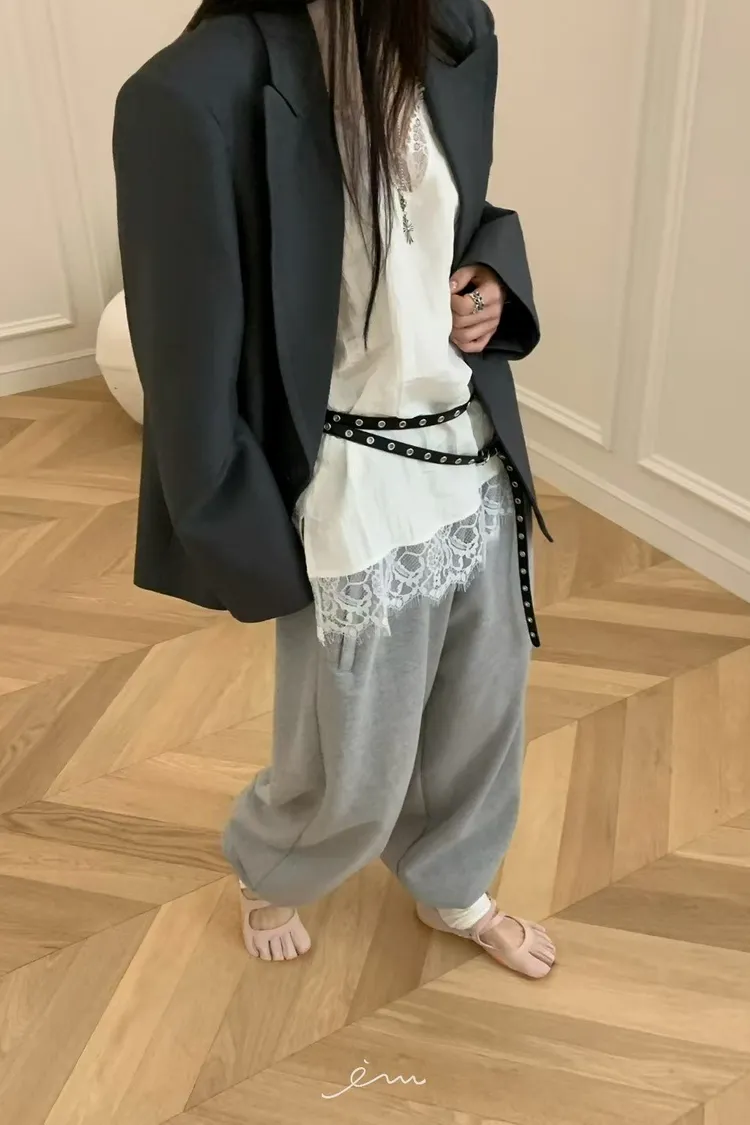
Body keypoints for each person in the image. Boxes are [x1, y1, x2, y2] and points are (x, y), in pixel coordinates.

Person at [113, 0, 556, 977]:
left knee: (484, 711)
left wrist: (490, 279)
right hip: (349, 484)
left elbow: (465, 214)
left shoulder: (454, 29)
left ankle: (452, 881)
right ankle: (271, 866)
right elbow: (186, 373)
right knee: (353, 750)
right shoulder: (191, 95)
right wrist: (255, 550)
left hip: (470, 451)